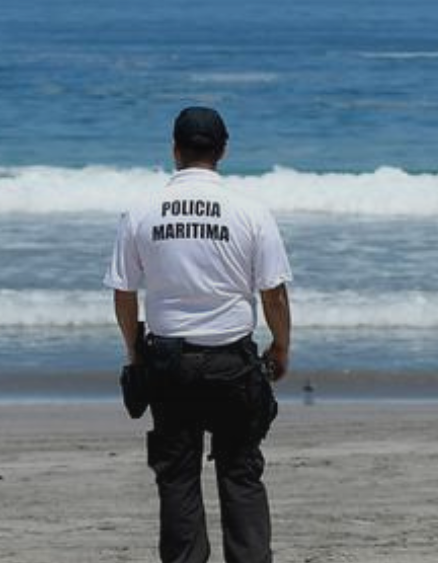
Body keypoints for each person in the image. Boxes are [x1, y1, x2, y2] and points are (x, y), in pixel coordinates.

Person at [104, 106, 293, 563]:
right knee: (241, 473)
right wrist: (282, 347)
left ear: (174, 149)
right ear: (224, 150)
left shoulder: (141, 212)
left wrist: (134, 354)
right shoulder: (250, 212)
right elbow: (273, 294)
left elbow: (124, 294)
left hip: (169, 364)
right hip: (233, 361)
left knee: (177, 476)